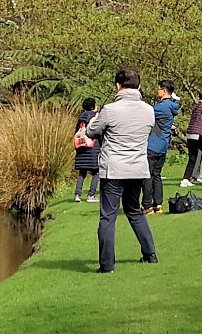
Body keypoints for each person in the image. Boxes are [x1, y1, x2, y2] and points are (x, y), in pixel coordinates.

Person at [85, 69, 159, 272]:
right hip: (138, 169)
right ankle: (150, 253)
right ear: (139, 87)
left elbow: (91, 132)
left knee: (108, 216)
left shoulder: (110, 110)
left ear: (118, 86)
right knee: (134, 210)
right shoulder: (149, 110)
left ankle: (107, 265)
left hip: (114, 170)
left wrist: (94, 120)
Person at [146, 81, 180, 212]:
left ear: (164, 91)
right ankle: (158, 204)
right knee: (157, 175)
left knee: (148, 175)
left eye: (159, 89)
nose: (157, 91)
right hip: (163, 145)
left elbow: (146, 117)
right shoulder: (171, 106)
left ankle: (147, 205)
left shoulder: (161, 107)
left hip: (153, 144)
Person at [179, 88, 202, 187]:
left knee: (193, 157)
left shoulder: (196, 106)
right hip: (198, 134)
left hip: (190, 134)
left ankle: (185, 179)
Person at [71, 97, 101, 204]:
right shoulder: (95, 117)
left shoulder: (80, 118)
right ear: (93, 107)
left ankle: (77, 195)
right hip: (93, 148)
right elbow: (98, 132)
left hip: (81, 148)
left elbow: (76, 132)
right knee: (97, 172)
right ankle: (91, 195)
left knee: (81, 173)